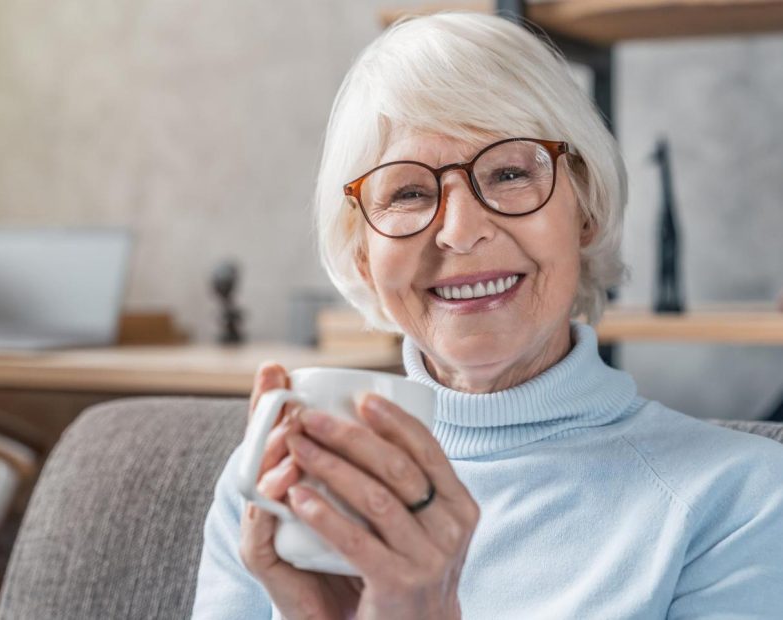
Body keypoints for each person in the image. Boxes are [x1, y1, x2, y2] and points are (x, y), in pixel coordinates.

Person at [192, 11, 783, 619]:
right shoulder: (274, 480)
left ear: (586, 209)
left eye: (508, 173)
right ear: (363, 253)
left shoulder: (747, 499)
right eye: (409, 192)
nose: (461, 231)